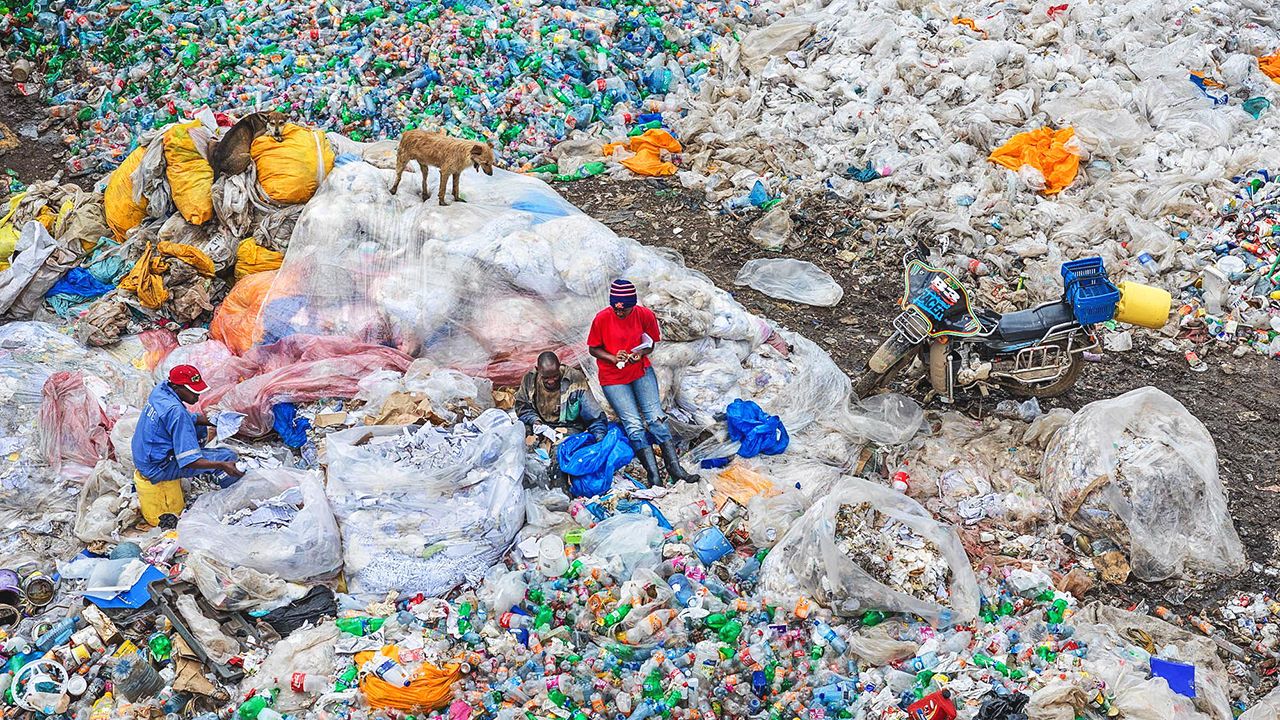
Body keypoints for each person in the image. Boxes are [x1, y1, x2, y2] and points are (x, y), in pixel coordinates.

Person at [587, 279, 696, 486]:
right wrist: (612, 357)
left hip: (640, 370)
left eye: (624, 310)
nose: (619, 313)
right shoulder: (601, 319)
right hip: (613, 377)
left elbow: (651, 343)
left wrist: (641, 353)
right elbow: (593, 348)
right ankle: (653, 474)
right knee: (634, 424)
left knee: (656, 417)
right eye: (616, 309)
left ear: (632, 305)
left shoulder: (644, 315)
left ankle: (675, 467)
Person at [132, 365, 244, 488]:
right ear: (176, 387)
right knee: (228, 456)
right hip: (157, 468)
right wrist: (222, 465)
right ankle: (229, 488)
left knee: (199, 428)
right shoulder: (177, 412)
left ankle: (195, 456)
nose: (197, 396)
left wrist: (218, 420)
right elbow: (190, 462)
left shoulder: (161, 390)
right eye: (193, 392)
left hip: (143, 456)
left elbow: (185, 418)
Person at [514, 351, 607, 441]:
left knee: (560, 449)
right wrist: (535, 421)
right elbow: (522, 408)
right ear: (538, 370)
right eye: (546, 378)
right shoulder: (530, 380)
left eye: (555, 376)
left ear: (559, 366)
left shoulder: (575, 379)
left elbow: (594, 415)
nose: (551, 381)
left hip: (569, 427)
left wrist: (599, 439)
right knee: (520, 437)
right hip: (540, 424)